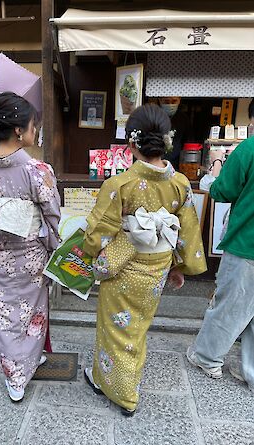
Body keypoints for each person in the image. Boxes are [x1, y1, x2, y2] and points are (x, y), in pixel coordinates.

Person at [83, 103, 207, 416]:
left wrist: (88, 255)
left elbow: (97, 234)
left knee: (116, 331)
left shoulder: (119, 185)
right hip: (156, 272)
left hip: (123, 272)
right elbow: (187, 231)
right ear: (167, 142)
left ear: (131, 144)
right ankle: (104, 376)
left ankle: (124, 394)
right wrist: (179, 268)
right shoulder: (179, 183)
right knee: (137, 329)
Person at [0, 92, 60, 402]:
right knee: (33, 312)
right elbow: (52, 218)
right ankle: (19, 375)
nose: (36, 131)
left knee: (5, 316)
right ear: (19, 130)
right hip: (31, 258)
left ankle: (18, 369)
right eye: (34, 125)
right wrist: (53, 247)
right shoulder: (37, 171)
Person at [186, 135, 254, 393]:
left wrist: (216, 164)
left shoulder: (249, 149)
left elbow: (221, 190)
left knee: (230, 306)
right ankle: (250, 371)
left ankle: (207, 358)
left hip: (247, 243)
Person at [159, 97, 193, 171]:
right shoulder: (154, 117)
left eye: (174, 101)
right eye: (166, 102)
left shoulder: (183, 118)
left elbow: (187, 142)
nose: (170, 105)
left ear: (179, 100)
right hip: (156, 161)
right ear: (160, 100)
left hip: (176, 163)